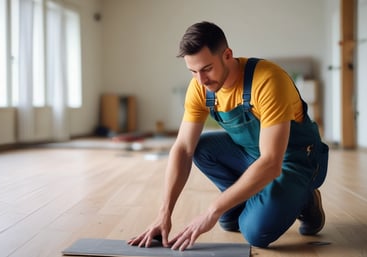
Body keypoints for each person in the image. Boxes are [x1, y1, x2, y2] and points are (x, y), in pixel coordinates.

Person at [128, 21, 329, 250]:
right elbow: (183, 148)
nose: (201, 80)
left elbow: (272, 162)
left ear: (227, 55)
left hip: (294, 161)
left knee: (254, 232)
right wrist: (164, 214)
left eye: (206, 69)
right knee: (201, 149)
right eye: (193, 72)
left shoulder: (267, 81)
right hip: (254, 156)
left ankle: (306, 199)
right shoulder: (200, 87)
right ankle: (249, 199)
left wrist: (212, 210)